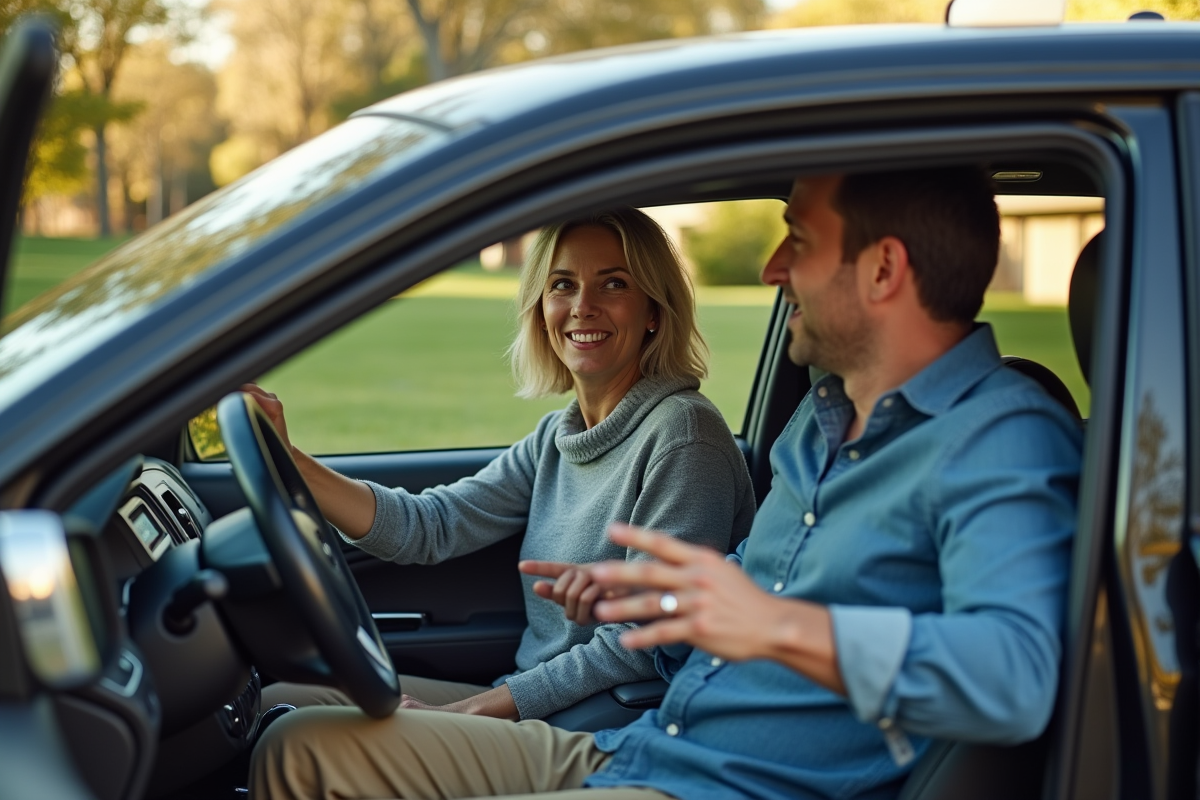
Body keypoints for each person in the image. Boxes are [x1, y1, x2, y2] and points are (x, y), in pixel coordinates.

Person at [250, 166, 1083, 800]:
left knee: (299, 748)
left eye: (799, 238)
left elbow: (1011, 676)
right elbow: (714, 618)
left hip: (716, 784)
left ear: (883, 269)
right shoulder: (818, 426)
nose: (770, 268)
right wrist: (655, 600)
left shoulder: (999, 436)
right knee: (297, 739)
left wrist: (769, 621)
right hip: (658, 745)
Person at [248, 206, 756, 723]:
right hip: (534, 703)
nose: (583, 306)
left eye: (614, 284)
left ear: (654, 311)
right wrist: (290, 462)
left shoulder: (684, 437)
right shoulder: (558, 437)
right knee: (281, 701)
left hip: (604, 726)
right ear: (540, 307)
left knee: (303, 740)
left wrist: (472, 712)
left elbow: (640, 643)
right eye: (562, 285)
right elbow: (430, 525)